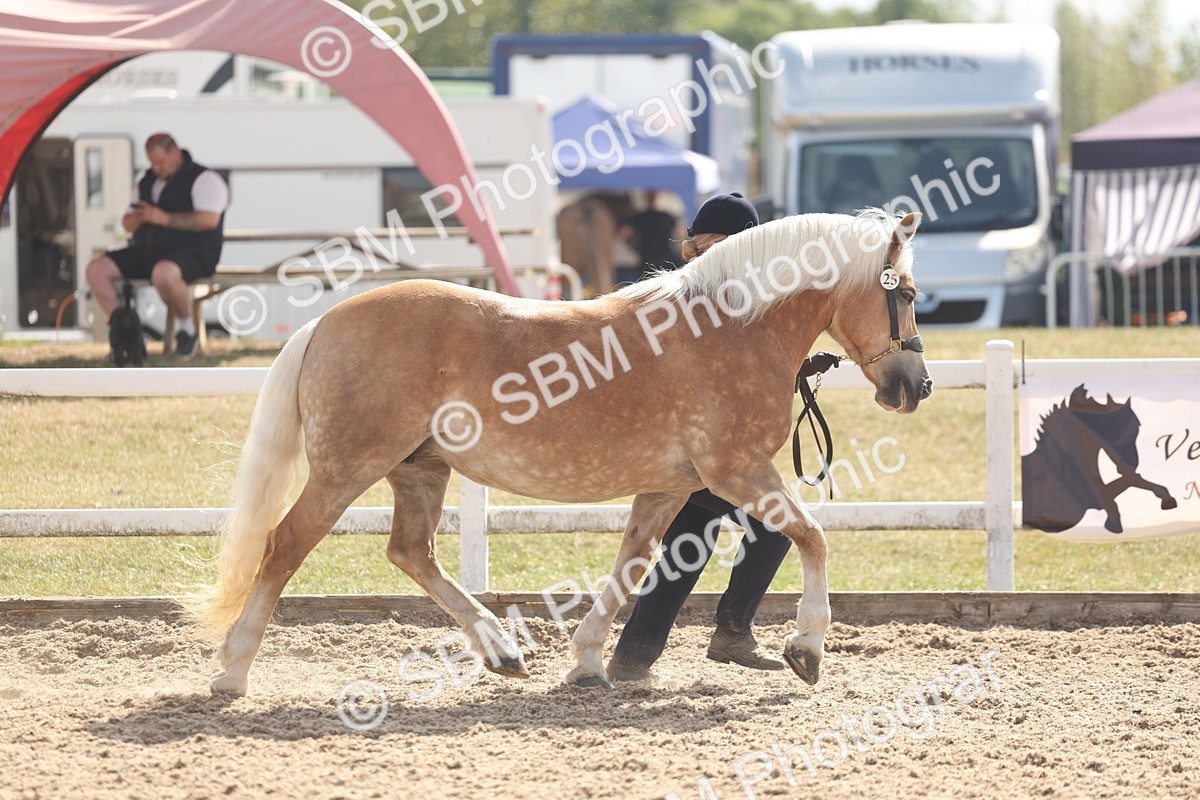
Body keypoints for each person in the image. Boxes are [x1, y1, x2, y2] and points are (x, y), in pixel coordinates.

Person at [606, 192, 796, 682]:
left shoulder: (712, 297)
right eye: (709, 244)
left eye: (717, 244)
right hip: (690, 450)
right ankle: (731, 631)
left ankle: (633, 658)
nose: (713, 252)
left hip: (685, 449)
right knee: (777, 524)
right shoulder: (706, 300)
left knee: (690, 542)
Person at [86, 133, 229, 360]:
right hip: (148, 251)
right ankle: (124, 328)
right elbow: (127, 223)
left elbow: (208, 220)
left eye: (160, 162)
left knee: (163, 273)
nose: (156, 168)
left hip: (194, 253)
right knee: (96, 270)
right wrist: (137, 218)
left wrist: (162, 218)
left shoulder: (205, 179)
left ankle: (187, 331)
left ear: (175, 153)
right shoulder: (147, 181)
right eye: (152, 163)